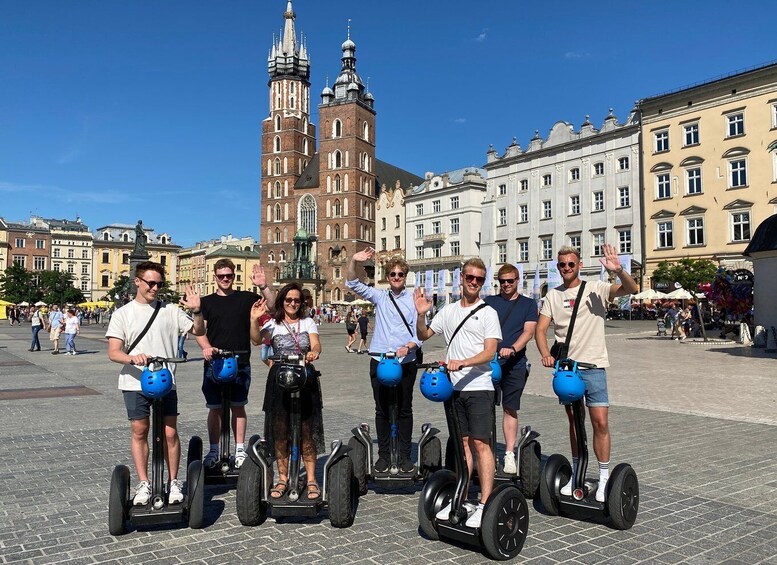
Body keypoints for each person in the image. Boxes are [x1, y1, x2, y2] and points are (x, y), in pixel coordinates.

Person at [534, 244, 638, 503]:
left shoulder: (596, 288)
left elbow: (631, 289)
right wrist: (545, 353)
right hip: (567, 370)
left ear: (579, 265)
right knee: (574, 423)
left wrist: (619, 270)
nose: (566, 268)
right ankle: (577, 473)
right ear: (558, 267)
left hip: (594, 367)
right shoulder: (553, 296)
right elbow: (540, 329)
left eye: (571, 264)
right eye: (562, 264)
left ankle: (603, 478)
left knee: (600, 422)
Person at [106, 261, 205, 506]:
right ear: (137, 281)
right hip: (134, 382)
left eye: (159, 284)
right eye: (150, 283)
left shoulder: (170, 310)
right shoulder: (123, 314)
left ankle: (173, 482)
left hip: (165, 382)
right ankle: (143, 483)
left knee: (170, 432)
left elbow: (198, 330)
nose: (155, 288)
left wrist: (197, 311)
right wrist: (132, 357)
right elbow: (113, 352)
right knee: (140, 431)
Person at [415, 257, 502, 528]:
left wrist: (463, 362)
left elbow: (491, 352)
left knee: (481, 444)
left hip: (479, 387)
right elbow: (424, 334)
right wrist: (421, 314)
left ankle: (485, 503)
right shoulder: (449, 310)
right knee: (462, 444)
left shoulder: (488, 313)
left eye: (479, 279)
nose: (474, 282)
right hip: (454, 388)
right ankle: (461, 497)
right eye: (470, 277)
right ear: (461, 278)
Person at [346, 249, 423, 473]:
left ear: (405, 276)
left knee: (404, 409)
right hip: (380, 359)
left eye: (400, 274)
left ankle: (405, 455)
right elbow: (352, 283)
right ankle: (384, 455)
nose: (396, 277)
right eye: (392, 274)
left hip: (405, 361)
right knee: (381, 409)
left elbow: (421, 332)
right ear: (387, 277)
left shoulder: (413, 300)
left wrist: (408, 346)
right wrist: (353, 260)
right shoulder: (381, 296)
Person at [195, 259, 273, 470]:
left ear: (234, 276)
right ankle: (214, 449)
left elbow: (273, 307)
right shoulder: (206, 302)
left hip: (240, 360)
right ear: (215, 277)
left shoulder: (246, 298)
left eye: (229, 275)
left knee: (238, 407)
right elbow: (199, 331)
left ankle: (239, 449)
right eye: (221, 276)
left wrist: (264, 286)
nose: (226, 279)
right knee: (215, 409)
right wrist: (206, 347)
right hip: (214, 362)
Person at [250, 283, 323, 500]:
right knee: (280, 432)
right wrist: (254, 319)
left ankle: (311, 479)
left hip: (304, 378)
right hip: (279, 380)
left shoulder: (308, 322)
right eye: (288, 300)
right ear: (282, 301)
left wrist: (314, 353)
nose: (292, 303)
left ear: (302, 303)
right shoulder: (274, 324)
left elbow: (316, 344)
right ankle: (282, 478)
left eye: (297, 300)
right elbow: (256, 340)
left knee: (307, 431)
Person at [484, 264, 538, 474]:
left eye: (510, 281)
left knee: (509, 407)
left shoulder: (527, 304)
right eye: (502, 281)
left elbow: (529, 331)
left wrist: (513, 348)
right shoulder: (489, 302)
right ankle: (485, 450)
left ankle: (508, 453)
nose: (506, 285)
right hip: (489, 362)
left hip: (514, 363)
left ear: (517, 281)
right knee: (485, 407)